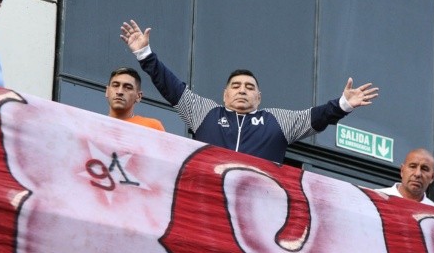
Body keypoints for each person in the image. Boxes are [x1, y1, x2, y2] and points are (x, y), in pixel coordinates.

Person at [119, 19, 379, 164]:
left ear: (259, 97)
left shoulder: (277, 120)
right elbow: (171, 87)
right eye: (236, 86)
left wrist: (343, 103)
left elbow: (317, 117)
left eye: (249, 87)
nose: (242, 90)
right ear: (224, 94)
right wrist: (144, 54)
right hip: (208, 203)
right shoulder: (205, 113)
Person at [105, 67, 164, 131]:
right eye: (115, 85)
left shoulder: (151, 127)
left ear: (138, 96)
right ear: (107, 91)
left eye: (128, 87)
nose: (119, 92)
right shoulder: (94, 124)